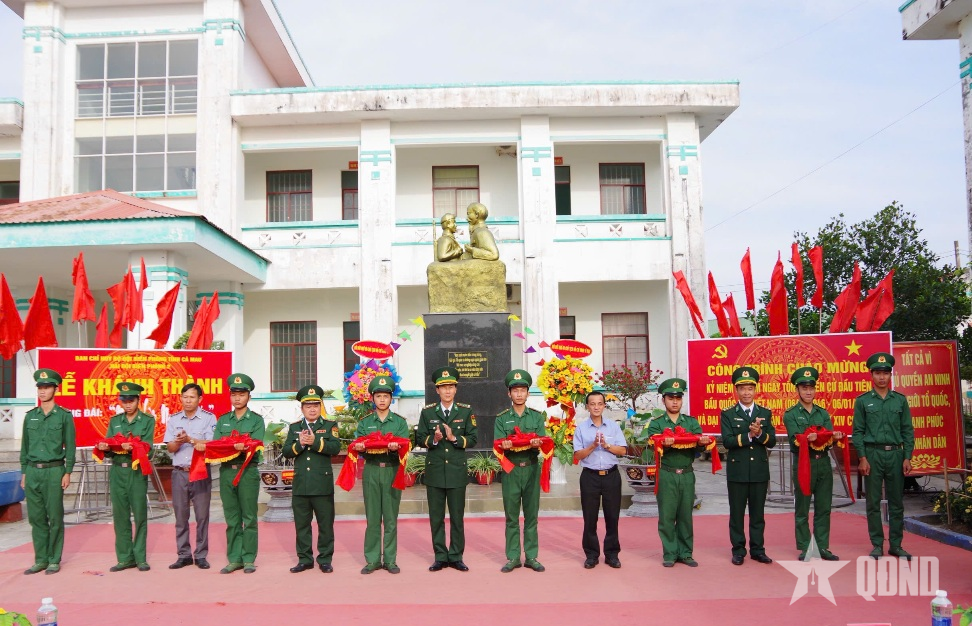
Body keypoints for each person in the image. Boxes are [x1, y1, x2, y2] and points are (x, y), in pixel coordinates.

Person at [852, 352, 915, 560]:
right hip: (873, 454)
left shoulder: (899, 400)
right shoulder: (862, 402)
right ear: (871, 375)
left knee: (897, 502)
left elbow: (907, 430)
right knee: (873, 502)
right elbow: (858, 432)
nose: (882, 377)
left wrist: (907, 456)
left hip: (896, 454)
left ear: (890, 376)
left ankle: (896, 544)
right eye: (878, 373)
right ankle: (877, 544)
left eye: (885, 373)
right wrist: (862, 457)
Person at [416, 367, 477, 572]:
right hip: (435, 472)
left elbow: (474, 438)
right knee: (436, 518)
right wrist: (434, 439)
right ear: (437, 390)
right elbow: (419, 439)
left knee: (457, 518)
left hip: (457, 472)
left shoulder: (466, 411)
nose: (448, 391)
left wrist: (454, 439)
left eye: (451, 387)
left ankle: (457, 556)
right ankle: (440, 556)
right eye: (443, 388)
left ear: (456, 389)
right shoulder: (427, 412)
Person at [645, 378, 711, 567]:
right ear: (663, 400)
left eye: (678, 398)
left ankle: (686, 553)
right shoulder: (657, 424)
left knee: (685, 515)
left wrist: (703, 443)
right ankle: (670, 553)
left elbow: (700, 445)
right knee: (667, 515)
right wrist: (663, 443)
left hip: (687, 474)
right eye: (670, 398)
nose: (675, 402)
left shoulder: (690, 422)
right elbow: (652, 446)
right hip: (667, 473)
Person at [782, 367, 842, 561]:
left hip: (823, 462)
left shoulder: (823, 413)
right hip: (803, 463)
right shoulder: (791, 414)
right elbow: (795, 439)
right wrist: (809, 438)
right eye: (804, 388)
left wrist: (835, 436)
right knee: (803, 507)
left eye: (811, 388)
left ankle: (823, 546)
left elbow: (829, 435)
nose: (808, 392)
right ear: (797, 390)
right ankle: (805, 547)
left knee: (824, 507)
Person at [20, 368, 75, 575]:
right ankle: (40, 559)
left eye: (46, 387)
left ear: (55, 389)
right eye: (40, 388)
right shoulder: (30, 417)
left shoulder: (63, 416)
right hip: (33, 471)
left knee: (55, 515)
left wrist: (68, 471)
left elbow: (70, 446)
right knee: (36, 518)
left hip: (54, 471)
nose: (42, 392)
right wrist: (24, 472)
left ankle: (54, 559)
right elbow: (24, 447)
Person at [720, 366, 776, 565]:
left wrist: (760, 434)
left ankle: (758, 550)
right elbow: (727, 441)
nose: (746, 392)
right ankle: (738, 550)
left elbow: (772, 442)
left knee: (758, 514)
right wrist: (748, 435)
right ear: (736, 390)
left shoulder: (765, 413)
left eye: (750, 388)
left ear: (755, 389)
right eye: (742, 388)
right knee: (736, 513)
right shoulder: (727, 414)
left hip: (759, 471)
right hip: (737, 471)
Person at [282, 384, 341, 573]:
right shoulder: (294, 428)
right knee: (302, 525)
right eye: (308, 406)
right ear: (302, 408)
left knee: (325, 525)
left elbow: (335, 449)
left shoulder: (329, 426)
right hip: (301, 484)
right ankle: (304, 559)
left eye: (316, 404)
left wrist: (315, 441)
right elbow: (286, 453)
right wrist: (299, 443)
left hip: (322, 485)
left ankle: (325, 559)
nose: (313, 408)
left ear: (321, 406)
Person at [355, 376, 410, 574]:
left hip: (392, 470)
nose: (382, 400)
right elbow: (357, 446)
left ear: (391, 398)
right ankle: (372, 560)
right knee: (372, 517)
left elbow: (406, 446)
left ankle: (390, 560)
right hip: (371, 470)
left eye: (386, 396)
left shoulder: (399, 423)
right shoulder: (365, 422)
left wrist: (396, 449)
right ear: (372, 398)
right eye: (378, 396)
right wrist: (360, 448)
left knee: (390, 517)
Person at [99, 381, 155, 572]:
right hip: (117, 471)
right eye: (124, 401)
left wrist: (132, 448)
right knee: (120, 515)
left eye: (131, 400)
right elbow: (109, 442)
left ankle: (140, 558)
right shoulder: (115, 421)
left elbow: (148, 447)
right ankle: (124, 558)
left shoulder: (147, 421)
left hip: (136, 470)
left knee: (139, 514)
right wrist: (105, 448)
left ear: (138, 400)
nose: (127, 404)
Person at [495, 369, 547, 573]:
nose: (519, 394)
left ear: (528, 393)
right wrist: (505, 446)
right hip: (511, 470)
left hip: (532, 468)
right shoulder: (501, 419)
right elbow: (498, 444)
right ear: (509, 393)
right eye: (515, 390)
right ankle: (513, 557)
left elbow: (543, 443)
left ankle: (532, 556)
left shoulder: (536, 417)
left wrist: (536, 444)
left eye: (522, 390)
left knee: (532, 515)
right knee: (511, 516)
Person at [162, 383, 217, 570]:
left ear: (200, 399)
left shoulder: (209, 419)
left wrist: (190, 440)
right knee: (180, 516)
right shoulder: (174, 419)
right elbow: (169, 447)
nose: (188, 400)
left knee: (202, 516)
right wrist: (178, 442)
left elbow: (211, 443)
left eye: (192, 397)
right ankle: (183, 554)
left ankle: (201, 555)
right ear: (180, 398)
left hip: (200, 472)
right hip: (179, 473)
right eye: (184, 397)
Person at [215, 373, 265, 574]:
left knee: (249, 517)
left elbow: (255, 444)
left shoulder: (256, 421)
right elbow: (217, 445)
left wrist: (239, 447)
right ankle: (234, 558)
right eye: (234, 394)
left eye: (242, 394)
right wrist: (235, 446)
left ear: (249, 397)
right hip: (227, 471)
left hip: (247, 472)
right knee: (232, 517)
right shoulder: (223, 420)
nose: (237, 398)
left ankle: (249, 558)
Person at [572, 390, 626, 569]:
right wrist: (594, 445)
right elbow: (578, 455)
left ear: (604, 405)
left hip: (611, 476)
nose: (596, 407)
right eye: (592, 404)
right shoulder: (581, 428)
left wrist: (607, 445)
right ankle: (591, 555)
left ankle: (612, 554)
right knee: (590, 518)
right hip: (590, 477)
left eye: (599, 403)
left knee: (612, 517)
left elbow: (623, 451)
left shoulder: (613, 427)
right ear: (587, 406)